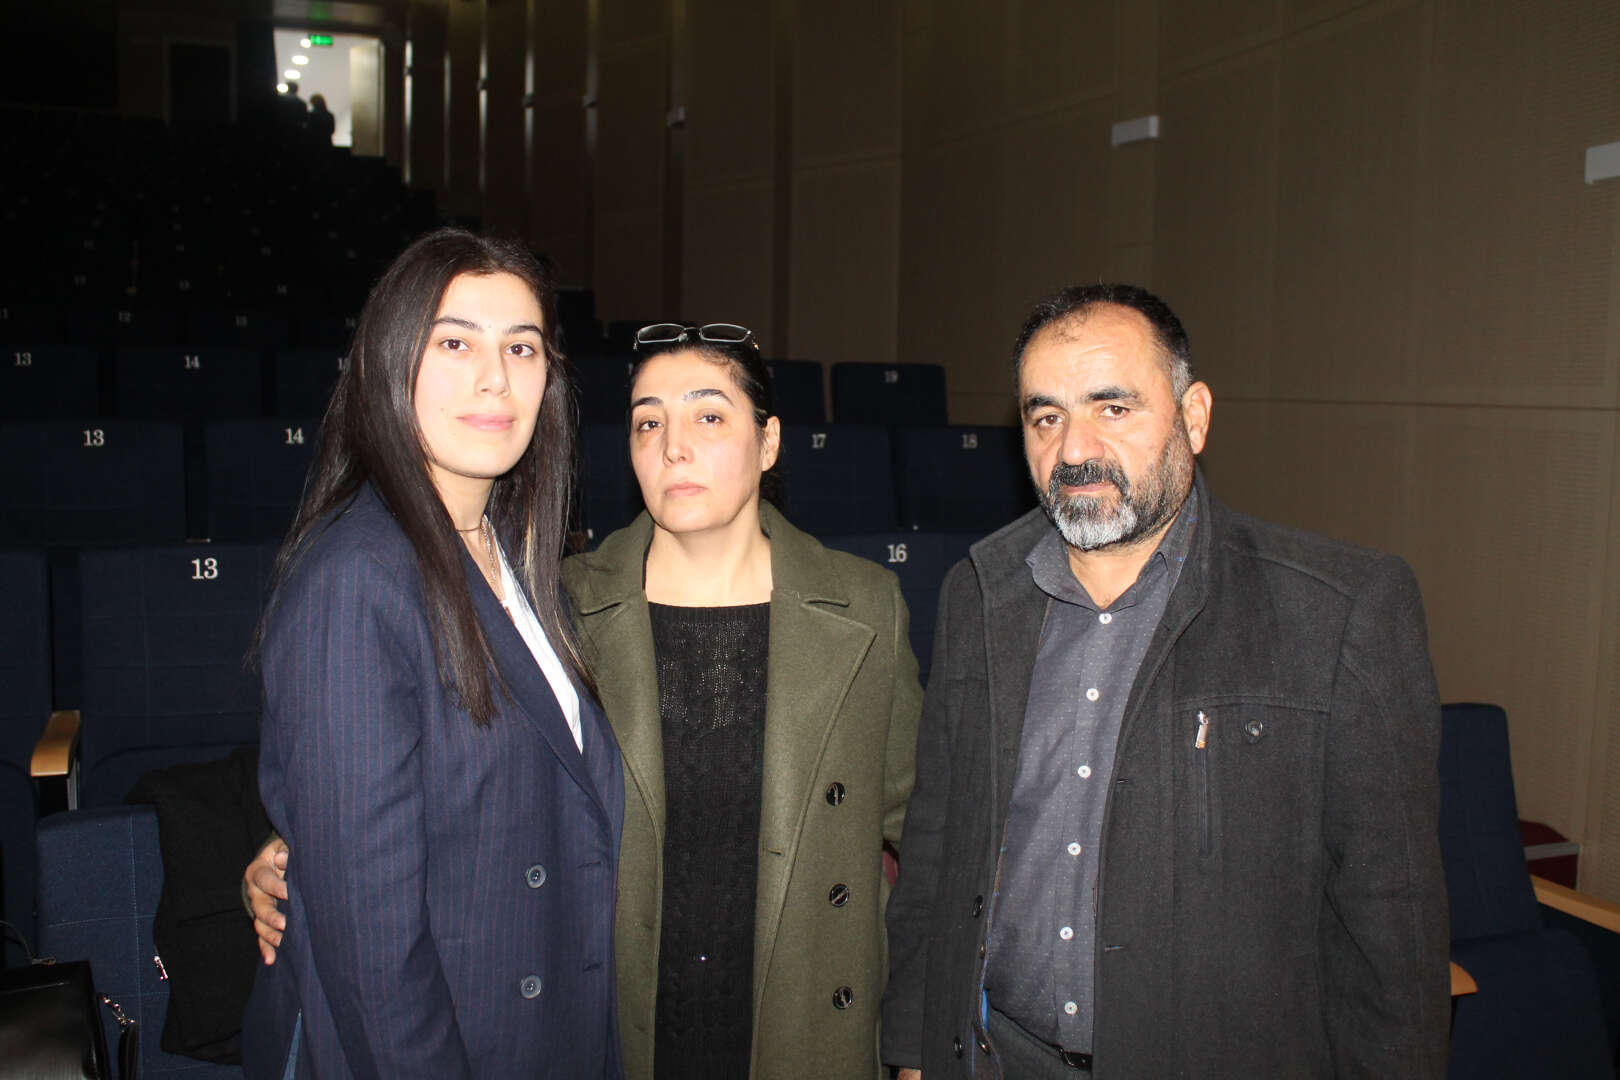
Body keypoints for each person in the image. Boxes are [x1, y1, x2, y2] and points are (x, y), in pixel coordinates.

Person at [248, 321, 922, 1078]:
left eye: (708, 416)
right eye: (647, 423)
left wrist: (918, 1039)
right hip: (618, 1019)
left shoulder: (866, 609)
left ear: (768, 443)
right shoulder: (554, 608)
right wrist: (292, 851)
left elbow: (929, 833)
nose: (673, 448)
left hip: (803, 1025)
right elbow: (446, 769)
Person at [879, 285, 1449, 1078]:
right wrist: (913, 1052)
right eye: (1046, 418)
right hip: (996, 1056)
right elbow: (936, 847)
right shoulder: (978, 593)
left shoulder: (1337, 614)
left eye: (1112, 408)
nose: (1073, 449)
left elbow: (1392, 927)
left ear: (1195, 416)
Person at [241, 227, 624, 1079]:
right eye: (455, 343)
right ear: (390, 364)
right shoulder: (355, 582)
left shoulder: (514, 556)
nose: (496, 379)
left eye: (521, 347)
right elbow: (374, 954)